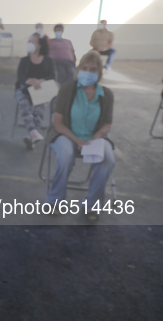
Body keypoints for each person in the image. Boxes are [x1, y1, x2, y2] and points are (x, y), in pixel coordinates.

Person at [45, 50, 115, 221]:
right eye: (85, 68)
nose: (88, 72)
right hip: (66, 134)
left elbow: (107, 124)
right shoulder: (67, 89)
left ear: (99, 73)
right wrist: (77, 140)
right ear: (78, 69)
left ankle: (92, 205)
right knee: (66, 155)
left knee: (107, 159)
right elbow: (58, 122)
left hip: (95, 137)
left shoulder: (106, 94)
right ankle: (55, 200)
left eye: (93, 69)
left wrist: (93, 139)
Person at [15, 33, 55, 150]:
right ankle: (33, 132)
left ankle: (31, 136)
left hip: (41, 89)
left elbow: (52, 76)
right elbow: (20, 76)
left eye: (33, 41)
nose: (30, 43)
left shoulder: (48, 61)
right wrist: (30, 81)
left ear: (40, 45)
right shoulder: (24, 60)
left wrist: (40, 81)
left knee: (40, 108)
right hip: (24, 89)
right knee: (24, 104)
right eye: (30, 40)